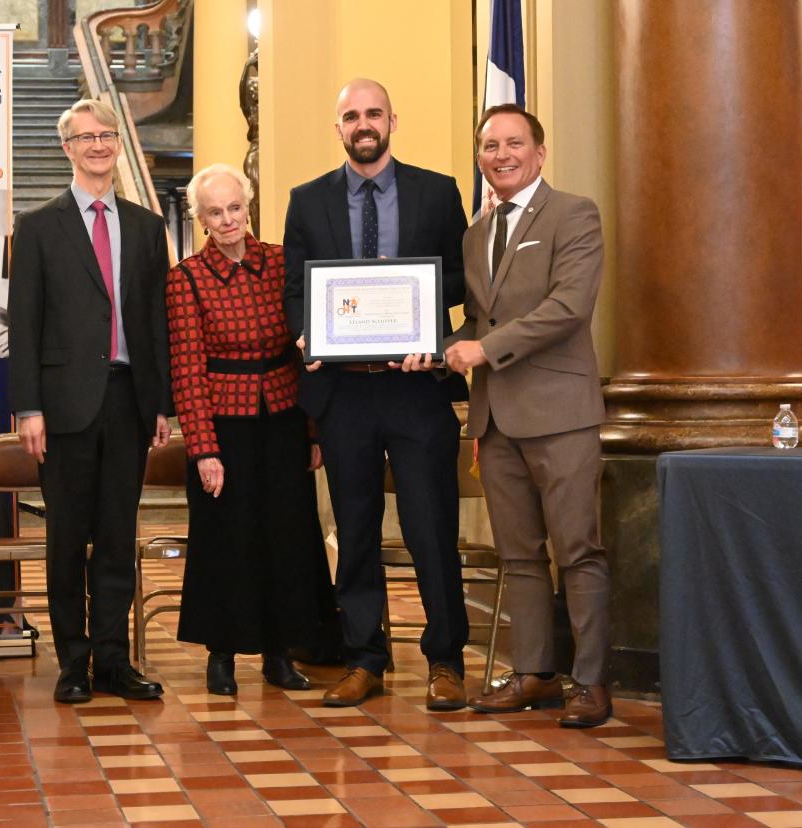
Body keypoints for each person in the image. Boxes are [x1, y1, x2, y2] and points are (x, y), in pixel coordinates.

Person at [282, 78, 470, 709]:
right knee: (356, 532)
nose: (363, 124)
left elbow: (464, 288)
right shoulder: (306, 202)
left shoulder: (438, 193)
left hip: (418, 392)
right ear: (337, 128)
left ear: (393, 119)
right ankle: (366, 659)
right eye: (350, 116)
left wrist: (436, 344)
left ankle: (446, 661)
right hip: (345, 397)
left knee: (430, 529)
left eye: (373, 113)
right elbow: (293, 294)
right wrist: (308, 332)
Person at [443, 103, 611, 727]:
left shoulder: (574, 214)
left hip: (560, 414)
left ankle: (591, 680)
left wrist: (482, 349)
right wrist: (428, 347)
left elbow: (569, 306)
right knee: (518, 556)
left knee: (577, 551)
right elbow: (477, 323)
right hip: (496, 417)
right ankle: (536, 672)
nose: (502, 155)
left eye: (514, 143)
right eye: (490, 145)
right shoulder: (475, 233)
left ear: (539, 153)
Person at [8, 99, 172, 704]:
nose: (99, 144)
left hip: (129, 400)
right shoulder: (39, 225)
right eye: (86, 137)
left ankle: (113, 660)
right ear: (67, 148)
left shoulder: (147, 226)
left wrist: (161, 402)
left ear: (117, 145)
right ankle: (72, 664)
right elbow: (24, 324)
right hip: (62, 407)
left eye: (106, 134)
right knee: (67, 540)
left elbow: (156, 320)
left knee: (116, 535)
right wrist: (28, 408)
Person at [166, 164, 332, 696]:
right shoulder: (186, 277)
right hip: (223, 424)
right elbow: (187, 369)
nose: (228, 219)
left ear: (249, 205)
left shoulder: (283, 263)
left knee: (286, 536)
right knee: (226, 540)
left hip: (283, 417)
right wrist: (203, 450)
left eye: (235, 208)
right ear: (202, 221)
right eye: (215, 212)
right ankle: (221, 655)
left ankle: (280, 654)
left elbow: (306, 350)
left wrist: (312, 432)